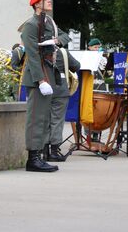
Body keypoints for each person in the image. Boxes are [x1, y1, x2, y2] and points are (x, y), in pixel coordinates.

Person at [20, 0, 60, 172]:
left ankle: (39, 155)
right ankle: (33, 158)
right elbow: (33, 55)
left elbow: (63, 37)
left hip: (48, 73)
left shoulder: (48, 23)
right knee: (35, 118)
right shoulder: (31, 25)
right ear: (37, 5)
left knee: (43, 118)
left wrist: (54, 40)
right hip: (37, 77)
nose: (50, 1)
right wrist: (41, 80)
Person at [44, 33, 80, 162]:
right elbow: (76, 66)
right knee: (57, 120)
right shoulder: (63, 52)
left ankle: (44, 151)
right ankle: (54, 151)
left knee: (45, 120)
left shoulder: (38, 51)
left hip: (44, 88)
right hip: (60, 89)